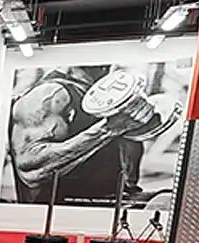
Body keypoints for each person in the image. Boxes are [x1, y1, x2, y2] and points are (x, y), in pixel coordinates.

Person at [8, 66, 153, 204]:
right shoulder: (50, 94)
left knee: (162, 201)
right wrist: (109, 129)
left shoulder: (108, 94)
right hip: (59, 214)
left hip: (107, 205)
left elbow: (126, 177)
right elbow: (30, 169)